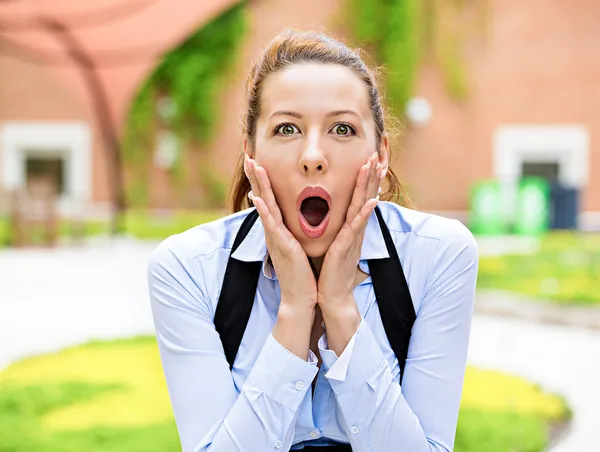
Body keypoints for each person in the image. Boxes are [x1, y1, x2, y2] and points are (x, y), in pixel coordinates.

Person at [147, 29, 479, 452]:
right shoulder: (187, 268)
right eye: (287, 128)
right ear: (251, 154)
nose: (313, 156)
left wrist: (341, 308)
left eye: (342, 128)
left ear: (380, 154)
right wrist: (295, 309)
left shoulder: (439, 255)